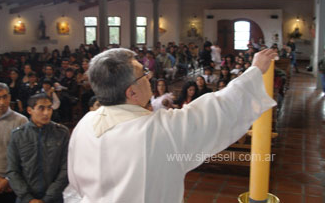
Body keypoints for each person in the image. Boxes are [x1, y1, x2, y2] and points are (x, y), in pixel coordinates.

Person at [64, 48, 276, 203]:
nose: (149, 77)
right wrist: (255, 71)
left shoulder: (85, 124)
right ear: (132, 92)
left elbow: (75, 184)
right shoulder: (159, 130)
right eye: (143, 74)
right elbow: (219, 109)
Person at [7, 93, 69, 203]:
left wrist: (48, 198)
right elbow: (13, 170)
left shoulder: (61, 133)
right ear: (30, 110)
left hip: (54, 198)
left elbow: (65, 169)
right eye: (41, 108)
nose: (46, 113)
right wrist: (28, 198)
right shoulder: (18, 135)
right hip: (25, 199)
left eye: (49, 108)